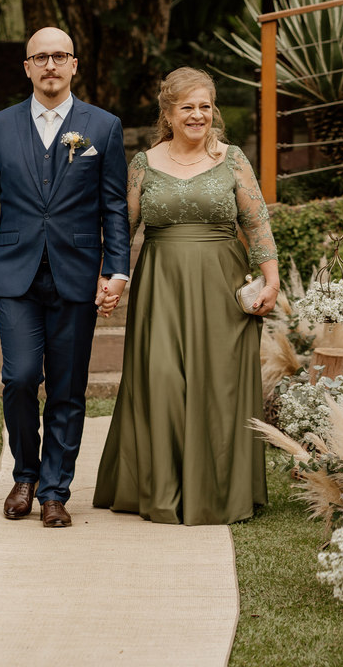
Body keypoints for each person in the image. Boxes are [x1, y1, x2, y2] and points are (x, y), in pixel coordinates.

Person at [0, 27, 131, 528]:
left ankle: (55, 490)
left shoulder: (103, 126)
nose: (50, 65)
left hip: (77, 273)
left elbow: (114, 207)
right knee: (19, 378)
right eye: (40, 57)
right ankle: (25, 475)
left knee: (68, 388)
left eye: (59, 56)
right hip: (16, 274)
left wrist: (116, 270)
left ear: (74, 64)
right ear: (27, 67)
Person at [93, 68, 279, 525]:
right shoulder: (143, 164)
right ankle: (159, 488)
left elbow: (256, 222)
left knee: (219, 385)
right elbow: (122, 230)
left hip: (221, 286)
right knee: (161, 379)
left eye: (205, 106)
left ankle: (218, 492)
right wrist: (111, 279)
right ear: (169, 113)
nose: (198, 115)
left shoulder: (232, 159)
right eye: (187, 107)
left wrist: (271, 281)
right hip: (161, 287)